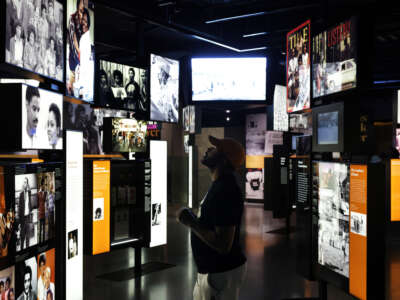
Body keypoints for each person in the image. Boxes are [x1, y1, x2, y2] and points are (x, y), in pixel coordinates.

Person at [177, 136, 247, 300]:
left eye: (215, 148)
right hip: (212, 271)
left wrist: (190, 222)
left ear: (224, 160)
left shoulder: (226, 191)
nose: (209, 149)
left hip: (220, 274)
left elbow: (223, 244)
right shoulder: (219, 185)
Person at [67, 0, 84, 95]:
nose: (82, 7)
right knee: (73, 73)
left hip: (81, 52)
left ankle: (79, 93)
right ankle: (71, 93)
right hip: (74, 52)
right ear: (78, 5)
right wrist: (77, 51)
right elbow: (72, 36)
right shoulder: (72, 18)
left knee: (80, 75)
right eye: (81, 5)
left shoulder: (84, 19)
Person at [18, 177, 32, 250]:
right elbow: (19, 209)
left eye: (26, 182)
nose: (24, 184)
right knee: (22, 236)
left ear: (27, 184)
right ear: (23, 184)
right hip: (23, 219)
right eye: (24, 182)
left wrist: (30, 211)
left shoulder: (29, 193)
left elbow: (30, 205)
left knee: (28, 237)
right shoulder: (20, 195)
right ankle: (21, 251)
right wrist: (19, 222)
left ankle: (27, 251)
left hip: (28, 218)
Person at [37, 177, 46, 244]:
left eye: (45, 185)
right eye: (43, 184)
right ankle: (39, 242)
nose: (44, 186)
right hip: (40, 212)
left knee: (44, 229)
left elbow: (46, 201)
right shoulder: (38, 193)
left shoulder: (45, 193)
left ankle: (43, 242)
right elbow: (37, 204)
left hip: (44, 212)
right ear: (41, 185)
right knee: (40, 229)